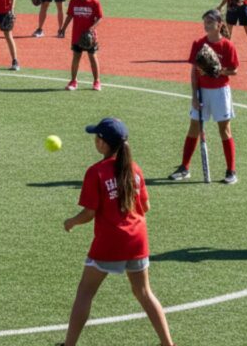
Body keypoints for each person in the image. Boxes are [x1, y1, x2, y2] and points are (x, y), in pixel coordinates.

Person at [60, 117, 174, 346]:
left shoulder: (96, 172)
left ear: (103, 144)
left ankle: (69, 345)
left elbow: (89, 212)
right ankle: (168, 344)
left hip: (110, 243)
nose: (95, 140)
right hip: (138, 240)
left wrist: (71, 221)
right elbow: (146, 206)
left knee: (85, 292)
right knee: (144, 292)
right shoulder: (134, 169)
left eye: (97, 137)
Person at [168, 9, 240, 185]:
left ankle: (231, 171)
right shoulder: (199, 43)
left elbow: (234, 70)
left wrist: (219, 70)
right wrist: (194, 95)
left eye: (209, 22)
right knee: (194, 128)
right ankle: (185, 168)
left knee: (224, 130)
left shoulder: (227, 46)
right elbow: (194, 72)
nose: (206, 25)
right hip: (201, 91)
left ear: (219, 24)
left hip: (221, 92)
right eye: (205, 22)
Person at [59, 0, 103, 91]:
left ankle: (97, 81)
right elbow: (69, 16)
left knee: (92, 57)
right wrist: (63, 28)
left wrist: (92, 28)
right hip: (77, 36)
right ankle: (73, 81)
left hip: (90, 37)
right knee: (76, 57)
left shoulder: (94, 2)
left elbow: (99, 18)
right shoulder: (74, 1)